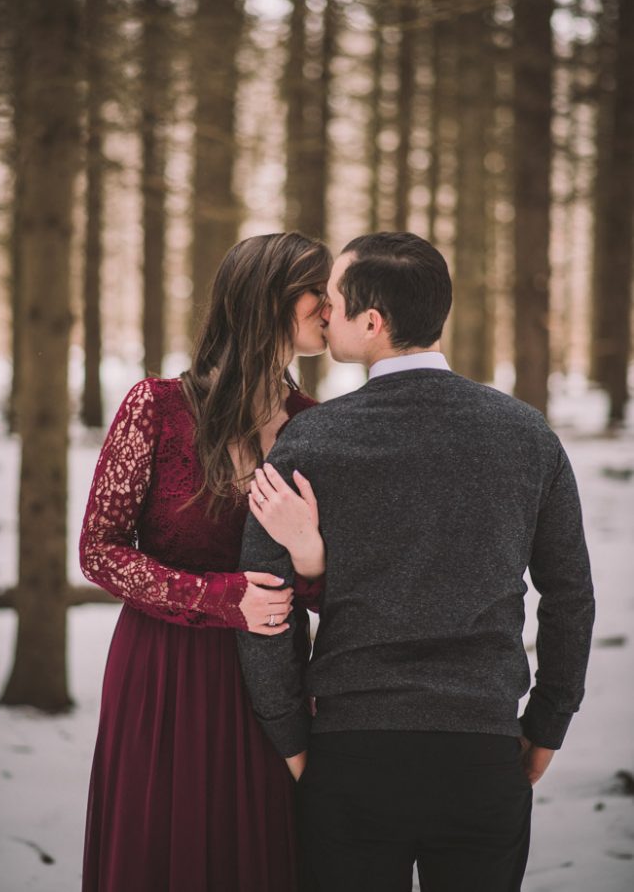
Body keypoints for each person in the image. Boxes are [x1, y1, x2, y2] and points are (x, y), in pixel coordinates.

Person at [236, 231, 595, 892]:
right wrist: (548, 722)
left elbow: (265, 603)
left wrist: (290, 737)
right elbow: (570, 593)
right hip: (482, 752)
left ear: (371, 322)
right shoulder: (526, 434)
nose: (324, 312)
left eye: (335, 301)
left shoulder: (309, 439)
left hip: (351, 755)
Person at [79, 231, 331, 892]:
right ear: (271, 300)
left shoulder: (318, 425)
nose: (331, 305)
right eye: (317, 290)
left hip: (272, 684)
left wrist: (309, 567)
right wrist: (224, 599)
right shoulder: (155, 407)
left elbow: (337, 583)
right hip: (163, 673)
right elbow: (99, 549)